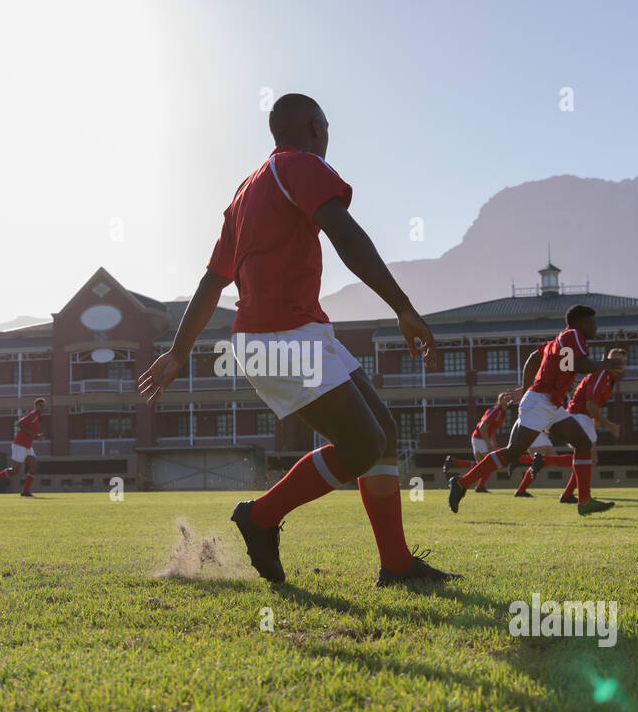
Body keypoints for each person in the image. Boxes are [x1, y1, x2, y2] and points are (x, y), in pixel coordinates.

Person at [138, 93, 460, 588]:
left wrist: (179, 350)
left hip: (297, 332)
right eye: (327, 128)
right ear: (315, 128)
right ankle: (260, 516)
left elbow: (211, 282)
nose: (328, 138)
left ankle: (397, 566)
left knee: (384, 434)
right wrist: (402, 306)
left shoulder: (245, 193)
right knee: (362, 443)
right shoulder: (300, 165)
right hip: (280, 338)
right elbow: (347, 236)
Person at [447, 305, 624, 516]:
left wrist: (525, 387)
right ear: (580, 323)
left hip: (550, 403)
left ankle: (584, 501)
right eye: (592, 323)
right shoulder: (575, 335)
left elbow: (533, 358)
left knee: (583, 443)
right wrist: (607, 363)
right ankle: (462, 483)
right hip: (540, 402)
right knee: (513, 451)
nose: (596, 327)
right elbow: (580, 365)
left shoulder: (561, 339)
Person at [557, 350, 626, 503]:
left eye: (623, 362)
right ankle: (580, 496)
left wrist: (595, 420)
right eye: (616, 361)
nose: (620, 365)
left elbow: (592, 405)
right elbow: (590, 404)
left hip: (583, 417)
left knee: (586, 458)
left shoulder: (609, 377)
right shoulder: (602, 375)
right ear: (608, 361)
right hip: (578, 416)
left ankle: (570, 494)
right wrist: (609, 425)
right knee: (588, 458)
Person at [0, 397, 46, 497]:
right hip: (20, 445)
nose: (42, 407)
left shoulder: (38, 417)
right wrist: (33, 435)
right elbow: (20, 424)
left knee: (34, 466)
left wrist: (36, 436)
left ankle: (25, 491)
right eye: (40, 406)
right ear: (36, 406)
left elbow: (30, 432)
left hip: (28, 446)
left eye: (43, 406)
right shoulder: (32, 415)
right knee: (15, 471)